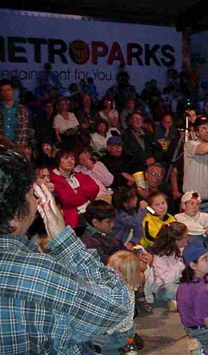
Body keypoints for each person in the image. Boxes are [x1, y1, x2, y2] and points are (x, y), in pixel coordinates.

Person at [0, 147, 130, 353]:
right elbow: (117, 306)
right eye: (31, 193)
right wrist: (65, 240)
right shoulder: (37, 273)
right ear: (16, 212)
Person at [92, 251, 140, 354]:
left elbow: (124, 319)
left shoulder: (126, 294)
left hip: (117, 332)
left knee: (94, 343)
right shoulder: (110, 284)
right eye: (108, 266)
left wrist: (107, 329)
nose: (108, 271)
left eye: (113, 270)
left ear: (126, 275)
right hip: (110, 326)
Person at [49, 148, 100, 229]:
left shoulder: (80, 175)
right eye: (66, 158)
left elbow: (95, 188)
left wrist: (77, 191)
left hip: (89, 211)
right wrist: (84, 194)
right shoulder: (53, 179)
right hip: (75, 217)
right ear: (59, 161)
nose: (70, 161)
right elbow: (67, 200)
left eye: (73, 159)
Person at [146, 222, 189, 311]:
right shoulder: (160, 256)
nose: (187, 241)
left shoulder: (175, 250)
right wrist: (180, 265)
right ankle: (184, 302)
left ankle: (179, 303)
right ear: (174, 241)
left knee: (194, 285)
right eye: (184, 238)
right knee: (180, 290)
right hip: (162, 288)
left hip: (177, 282)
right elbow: (166, 280)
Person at [80, 200, 125, 265]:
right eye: (108, 222)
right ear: (95, 222)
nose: (112, 225)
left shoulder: (104, 231)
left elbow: (120, 245)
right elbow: (105, 263)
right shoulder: (89, 242)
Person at [0, 80, 31, 147]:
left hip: (17, 149)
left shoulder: (22, 109)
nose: (6, 93)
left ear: (12, 91)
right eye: (3, 90)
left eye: (8, 89)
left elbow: (25, 132)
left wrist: (22, 149)